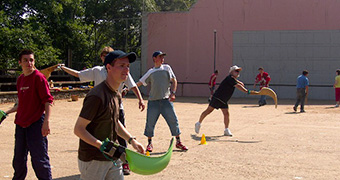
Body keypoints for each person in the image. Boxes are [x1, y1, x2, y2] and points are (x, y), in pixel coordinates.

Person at [61, 47, 145, 175]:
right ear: (109, 68)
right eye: (121, 65)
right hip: (93, 159)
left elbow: (114, 121)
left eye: (127, 66)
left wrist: (131, 140)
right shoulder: (97, 96)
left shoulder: (116, 94)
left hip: (112, 157)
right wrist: (101, 145)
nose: (126, 69)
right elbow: (78, 129)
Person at [4, 49, 53, 180]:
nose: (29, 63)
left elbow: (48, 101)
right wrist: (5, 112)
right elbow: (20, 104)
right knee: (18, 161)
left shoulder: (39, 78)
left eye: (31, 60)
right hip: (20, 124)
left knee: (39, 161)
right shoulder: (20, 80)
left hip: (36, 124)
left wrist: (46, 122)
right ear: (20, 62)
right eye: (25, 60)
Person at [136, 51, 188, 152]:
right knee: (150, 123)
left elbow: (174, 80)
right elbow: (139, 83)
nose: (162, 59)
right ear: (154, 58)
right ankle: (149, 144)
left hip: (166, 101)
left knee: (173, 120)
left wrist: (173, 93)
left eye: (163, 57)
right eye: (160, 57)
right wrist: (127, 88)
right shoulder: (150, 72)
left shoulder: (167, 68)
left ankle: (178, 142)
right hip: (153, 102)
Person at [195, 65, 256, 136]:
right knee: (208, 111)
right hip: (217, 98)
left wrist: (240, 82)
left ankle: (226, 130)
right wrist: (247, 91)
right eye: (236, 71)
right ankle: (198, 123)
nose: (238, 72)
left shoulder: (233, 79)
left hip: (224, 100)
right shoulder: (229, 78)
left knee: (226, 113)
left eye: (238, 71)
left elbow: (238, 83)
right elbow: (238, 86)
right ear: (231, 72)